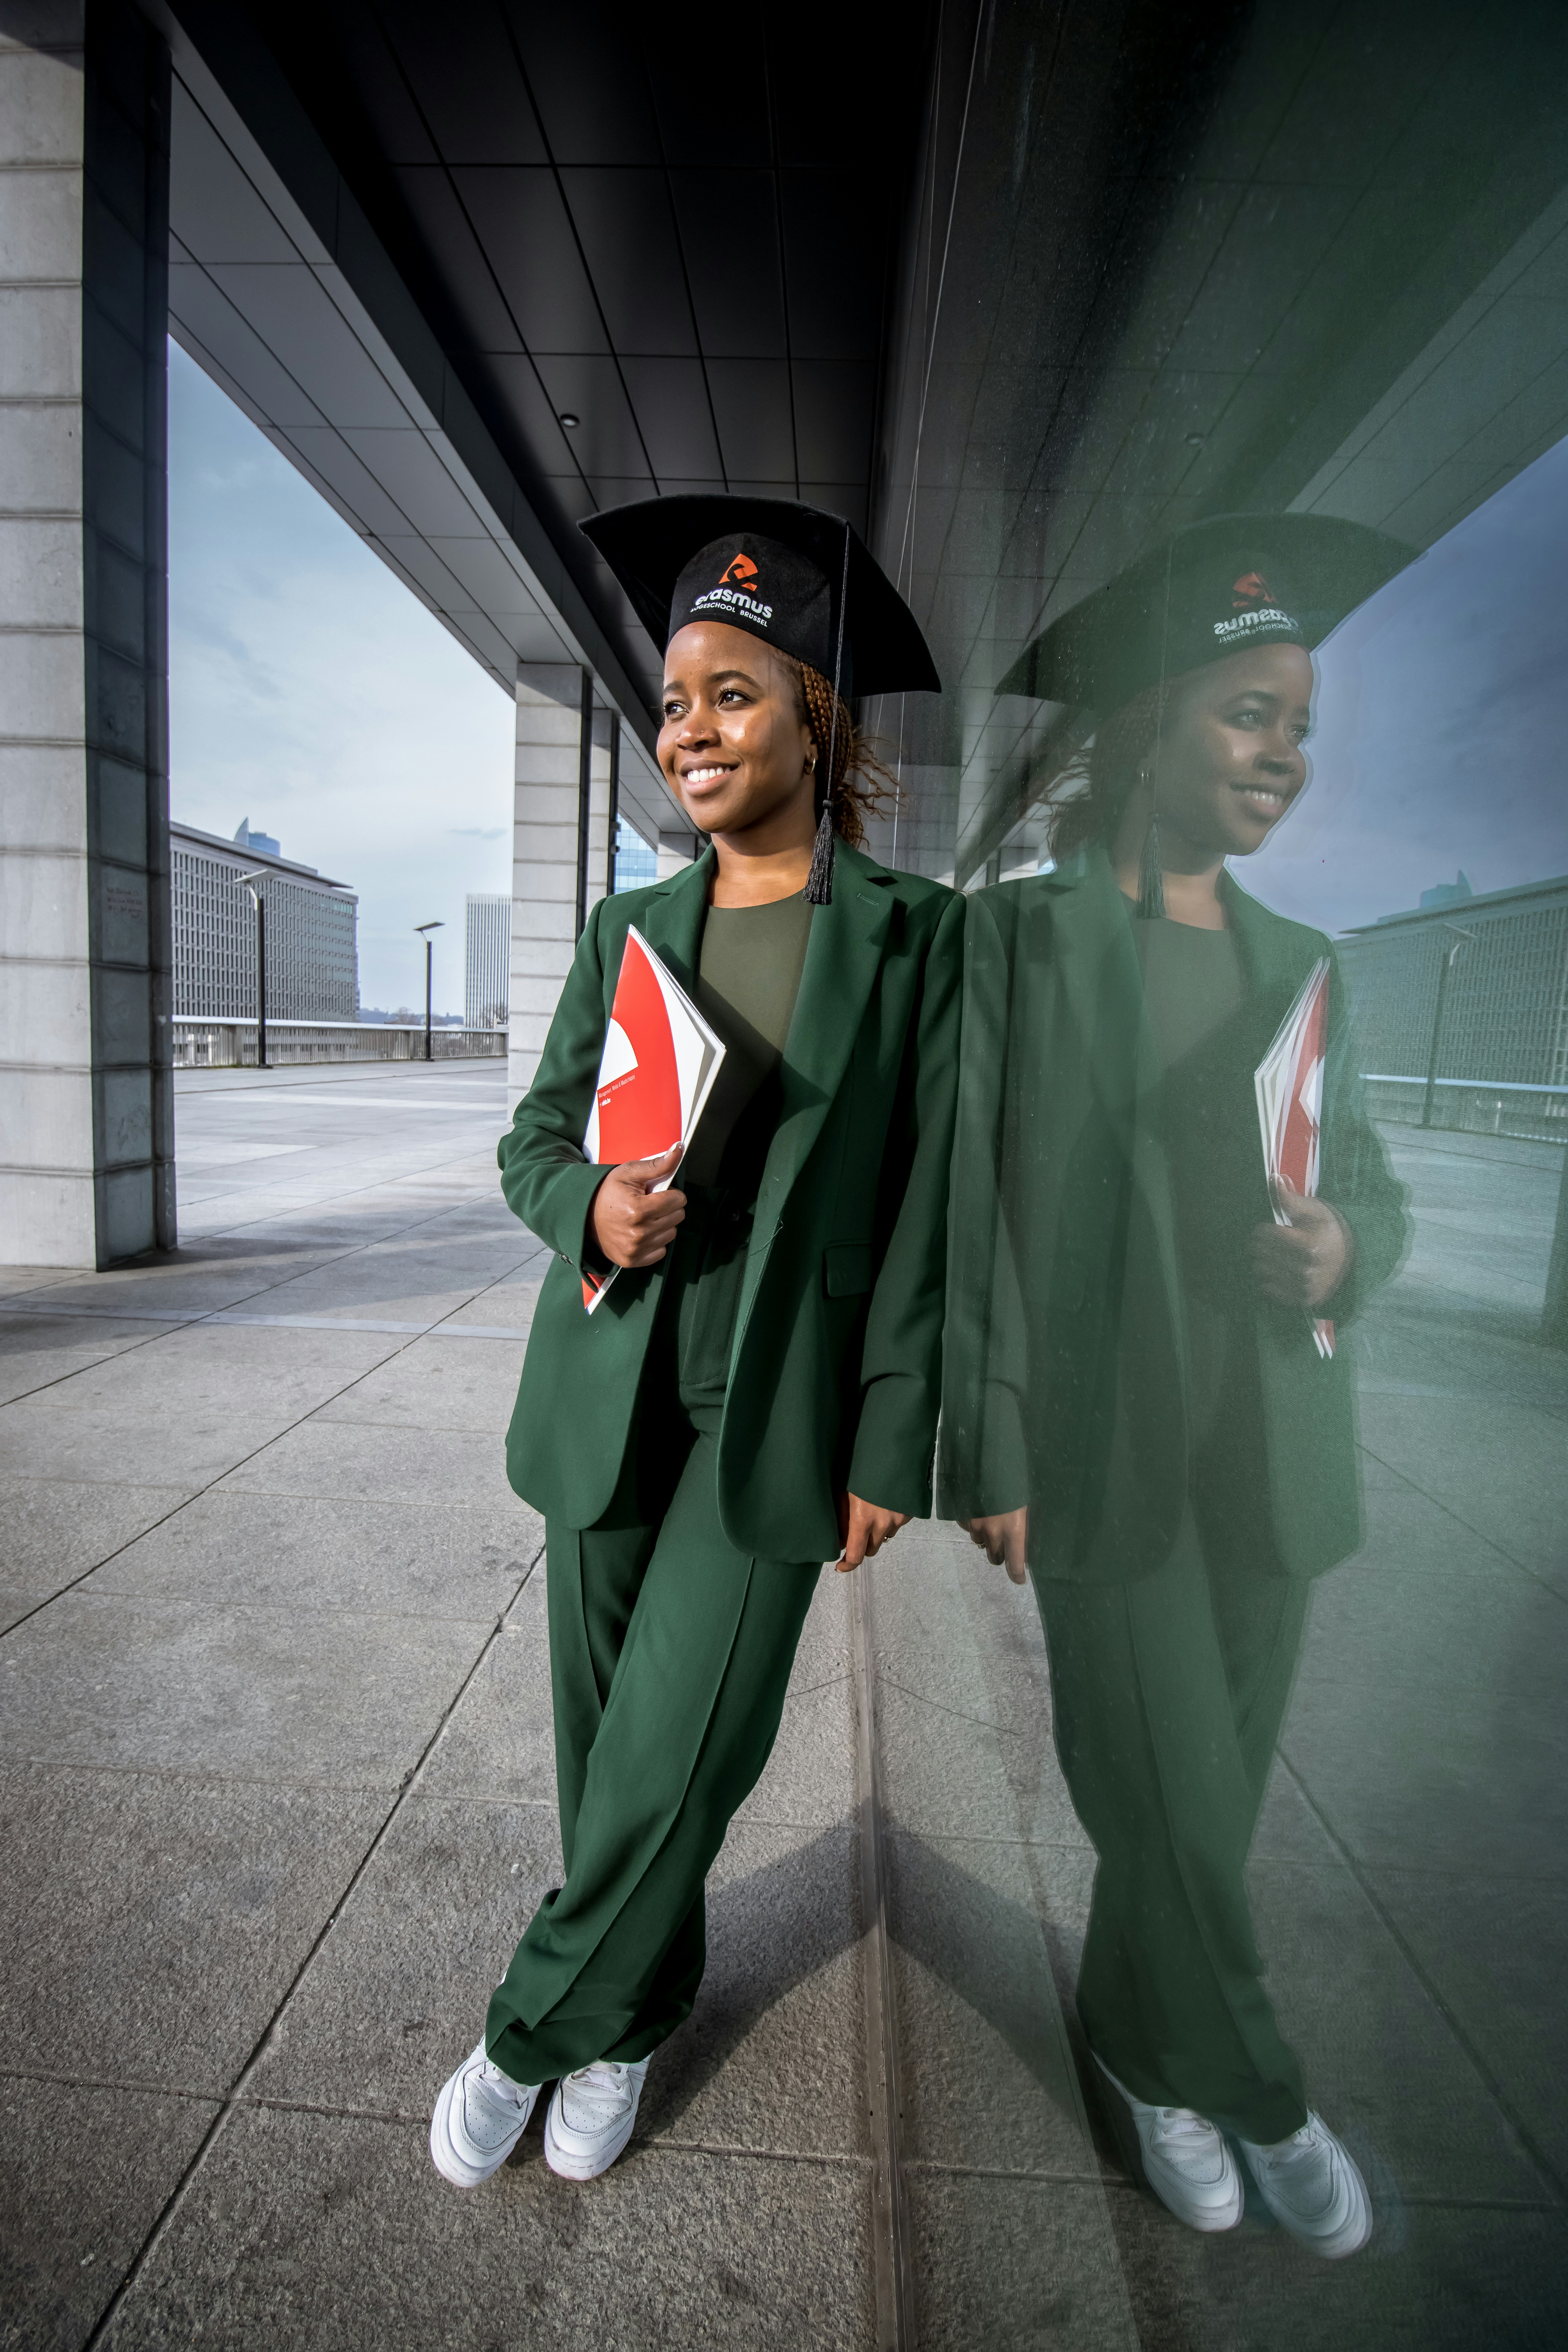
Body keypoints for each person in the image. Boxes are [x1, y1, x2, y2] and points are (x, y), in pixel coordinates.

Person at [431, 495, 960, 2189]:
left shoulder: (916, 943)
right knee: (606, 1755)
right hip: (607, 1382)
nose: (691, 729)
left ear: (815, 712)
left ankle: (529, 2029)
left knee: (682, 1754)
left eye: (733, 692)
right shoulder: (623, 933)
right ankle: (641, 2008)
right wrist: (586, 1205)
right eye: (672, 702)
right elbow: (527, 1142)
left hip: (775, 1412)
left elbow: (935, 1210)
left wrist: (894, 1440)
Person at [940, 516, 1412, 2258]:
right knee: (1170, 1798)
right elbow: (965, 1218)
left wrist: (1347, 1251)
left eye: (1298, 722)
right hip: (1099, 1462)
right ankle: (1263, 2084)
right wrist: (982, 1440)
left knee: (1200, 1801)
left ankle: (1143, 2052)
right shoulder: (1018, 945)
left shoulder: (1307, 966)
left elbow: (1368, 1177)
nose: (1283, 754)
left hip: (1271, 1462)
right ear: (1147, 728)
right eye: (1246, 713)